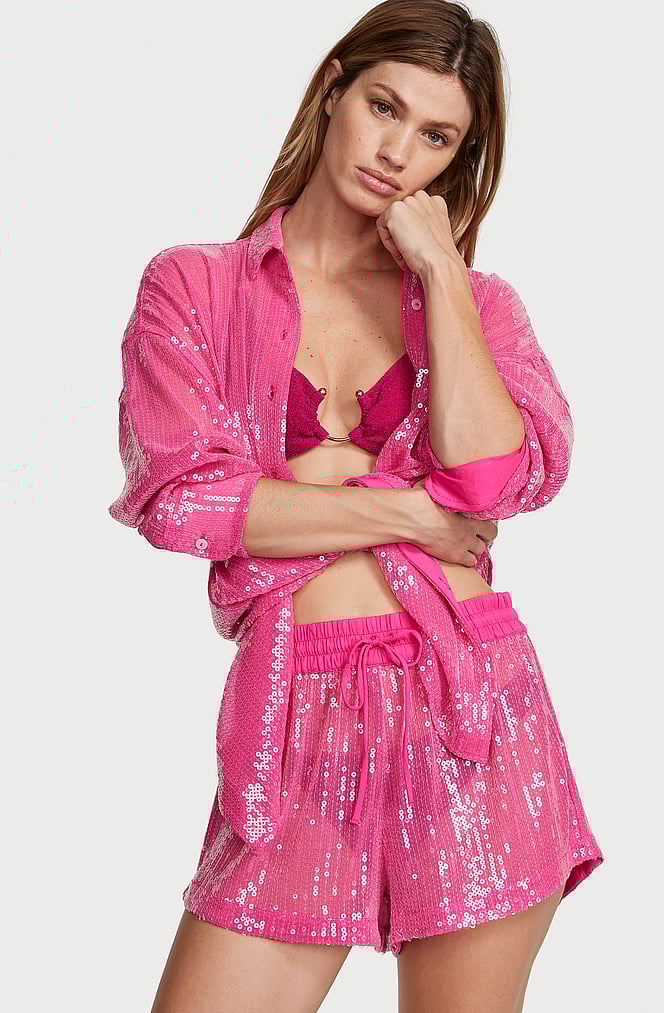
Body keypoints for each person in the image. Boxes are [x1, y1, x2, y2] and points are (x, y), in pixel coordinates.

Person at [108, 2, 604, 1010]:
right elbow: (187, 499)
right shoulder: (195, 288)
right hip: (300, 715)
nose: (397, 151)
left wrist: (443, 274)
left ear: (458, 160)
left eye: (437, 136)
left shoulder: (480, 305)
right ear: (333, 88)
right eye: (384, 106)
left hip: (474, 708)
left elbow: (495, 481)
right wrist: (413, 516)